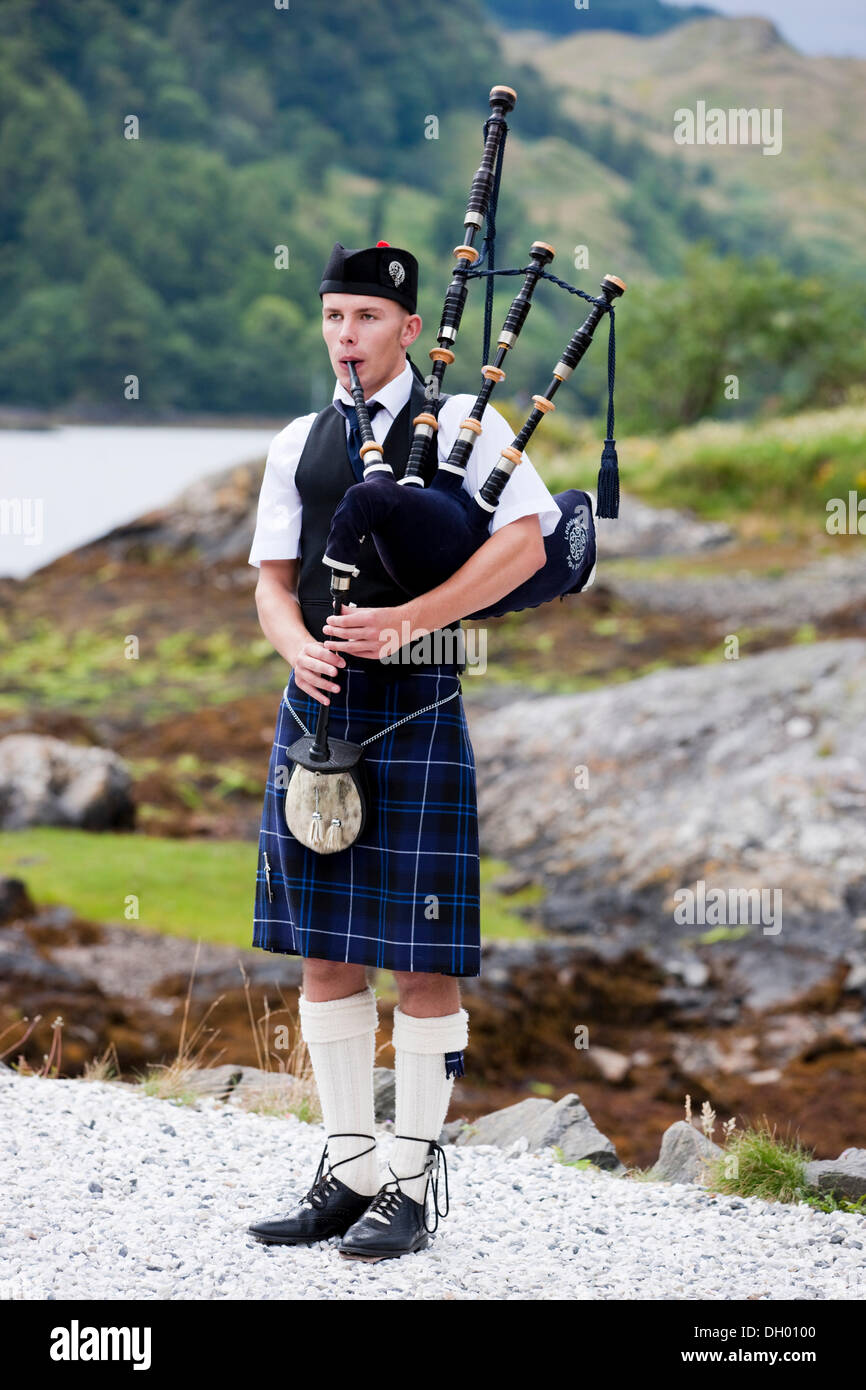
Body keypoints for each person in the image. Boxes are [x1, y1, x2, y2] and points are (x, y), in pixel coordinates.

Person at [245, 240, 562, 1261]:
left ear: (409, 329)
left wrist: (411, 617)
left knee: (422, 957)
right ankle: (346, 1169)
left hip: (417, 700)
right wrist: (295, 647)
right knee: (327, 947)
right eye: (334, 319)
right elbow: (271, 577)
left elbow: (529, 541)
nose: (347, 337)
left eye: (367, 320)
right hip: (320, 708)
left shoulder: (468, 425)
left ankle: (413, 1179)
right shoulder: (298, 439)